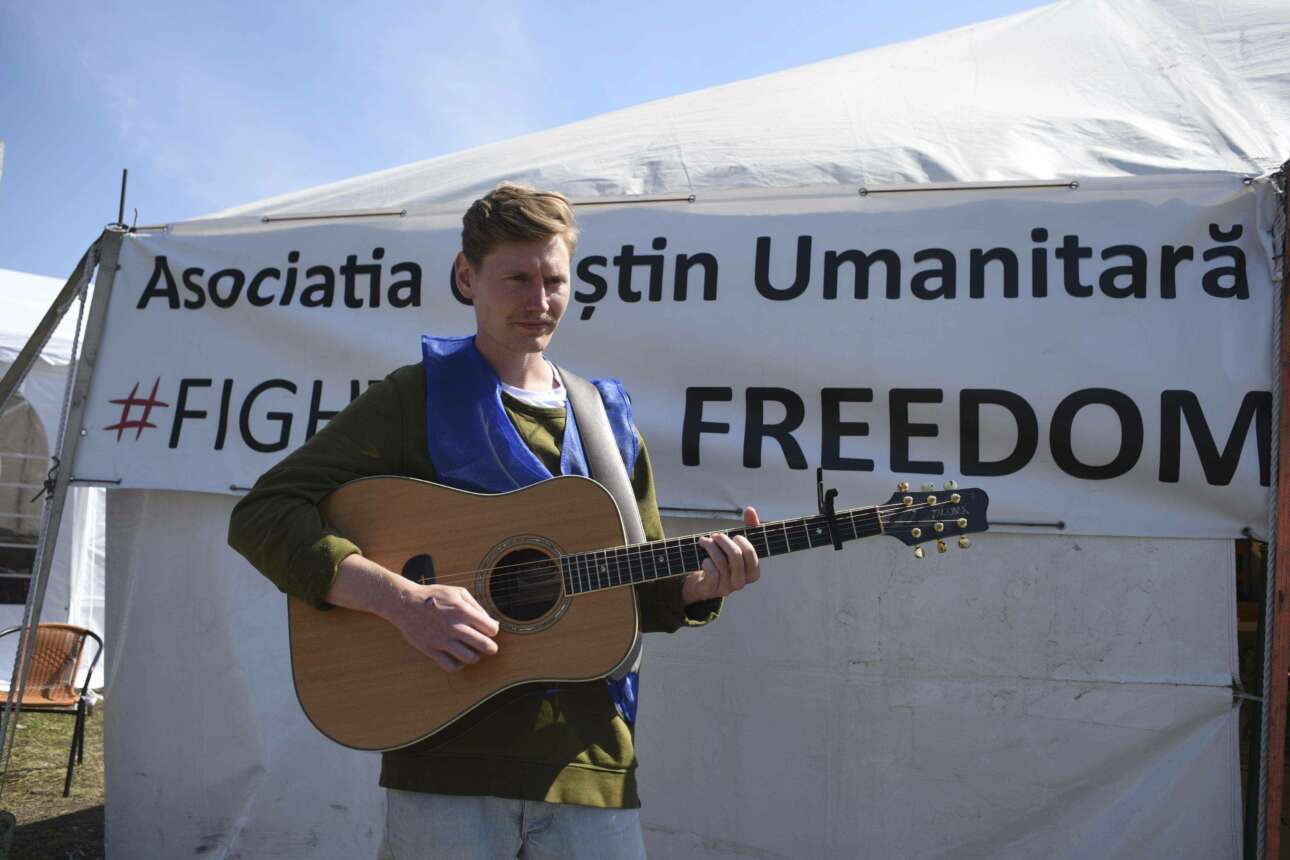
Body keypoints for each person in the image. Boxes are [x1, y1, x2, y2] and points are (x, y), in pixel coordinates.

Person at [227, 182, 762, 859]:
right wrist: (403, 601)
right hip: (446, 762)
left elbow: (638, 585)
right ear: (466, 276)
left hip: (590, 761)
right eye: (517, 279)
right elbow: (265, 513)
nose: (539, 301)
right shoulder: (415, 397)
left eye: (554, 281)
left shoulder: (607, 418)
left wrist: (695, 588)